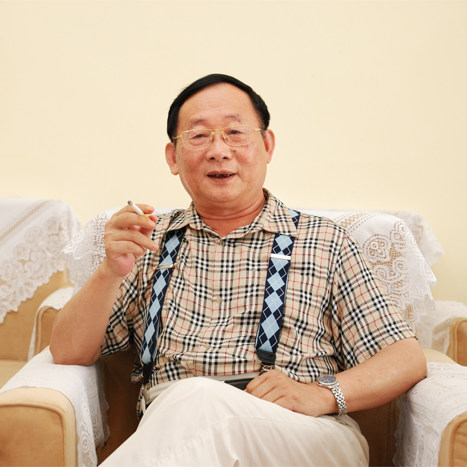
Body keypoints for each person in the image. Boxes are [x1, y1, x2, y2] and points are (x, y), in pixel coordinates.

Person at [50, 73, 426, 466]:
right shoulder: (146, 241)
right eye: (198, 136)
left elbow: (405, 358)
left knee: (199, 398)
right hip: (173, 424)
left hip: (301, 432)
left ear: (267, 145)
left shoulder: (325, 241)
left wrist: (322, 394)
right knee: (195, 400)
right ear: (172, 157)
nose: (218, 151)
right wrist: (110, 271)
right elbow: (68, 351)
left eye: (235, 132)